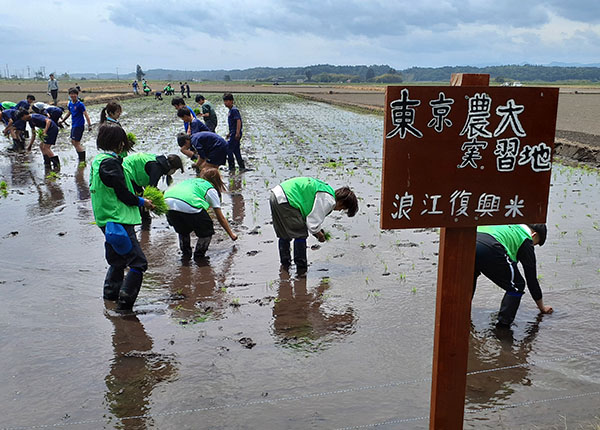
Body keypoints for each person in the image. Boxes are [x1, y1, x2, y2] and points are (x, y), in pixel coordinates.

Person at [90, 123, 155, 312]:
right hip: (118, 218)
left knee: (117, 261)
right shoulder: (110, 163)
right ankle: (124, 308)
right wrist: (143, 202)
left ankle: (109, 299)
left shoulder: (99, 160)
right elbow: (123, 193)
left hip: (106, 219)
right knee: (138, 263)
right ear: (119, 143)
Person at [269, 177, 358, 275]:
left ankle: (285, 266)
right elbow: (313, 223)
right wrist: (320, 236)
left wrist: (317, 231)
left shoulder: (326, 190)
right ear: (341, 202)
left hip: (276, 195)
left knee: (284, 234)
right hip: (288, 200)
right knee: (300, 235)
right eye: (342, 208)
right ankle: (301, 270)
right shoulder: (329, 200)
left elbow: (309, 217)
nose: (339, 210)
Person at [474, 224, 553, 327]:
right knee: (517, 286)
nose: (532, 246)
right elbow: (531, 279)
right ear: (533, 235)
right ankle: (503, 327)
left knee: (471, 275)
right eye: (535, 244)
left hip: (470, 240)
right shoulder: (525, 238)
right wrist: (542, 308)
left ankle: (463, 311)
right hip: (491, 246)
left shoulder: (508, 225)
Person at [165, 168, 237, 261]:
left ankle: (185, 255)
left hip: (168, 203)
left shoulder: (191, 181)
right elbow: (220, 217)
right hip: (188, 204)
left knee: (183, 230)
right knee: (206, 231)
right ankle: (199, 256)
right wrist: (231, 235)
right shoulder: (210, 189)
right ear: (217, 181)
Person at [123, 153, 184, 229]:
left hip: (134, 171)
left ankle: (145, 222)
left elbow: (149, 186)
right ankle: (143, 220)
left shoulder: (160, 162)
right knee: (140, 196)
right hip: (127, 170)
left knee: (142, 194)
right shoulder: (157, 168)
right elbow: (151, 189)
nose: (174, 172)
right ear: (171, 167)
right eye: (175, 169)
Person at [59, 87, 92, 164]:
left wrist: (89, 125)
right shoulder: (70, 103)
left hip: (79, 125)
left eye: (74, 94)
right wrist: (63, 120)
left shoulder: (80, 104)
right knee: (73, 142)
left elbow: (86, 114)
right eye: (71, 94)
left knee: (76, 142)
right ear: (69, 95)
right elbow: (69, 113)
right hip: (74, 125)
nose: (73, 95)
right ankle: (81, 156)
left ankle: (82, 160)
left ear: (77, 95)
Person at [223, 93, 247, 172]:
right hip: (233, 133)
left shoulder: (234, 110)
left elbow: (238, 121)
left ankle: (231, 167)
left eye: (227, 101)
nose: (225, 103)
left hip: (235, 133)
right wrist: (229, 133)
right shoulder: (231, 110)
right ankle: (241, 166)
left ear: (231, 101)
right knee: (236, 150)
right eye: (224, 101)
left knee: (228, 149)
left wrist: (237, 132)